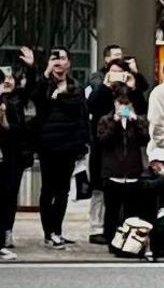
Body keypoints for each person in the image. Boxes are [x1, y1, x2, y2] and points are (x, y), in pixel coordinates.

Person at [19, 46, 89, 247]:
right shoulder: (45, 85)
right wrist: (43, 72)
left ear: (69, 62)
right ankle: (48, 232)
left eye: (62, 59)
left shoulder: (76, 86)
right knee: (47, 190)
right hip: (48, 146)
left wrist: (83, 144)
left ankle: (57, 230)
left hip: (69, 146)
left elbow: (81, 115)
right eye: (54, 59)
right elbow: (33, 96)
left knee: (63, 191)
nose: (59, 63)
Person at [93, 84, 151, 246]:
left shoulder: (137, 120)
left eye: (126, 104)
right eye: (120, 103)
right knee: (111, 210)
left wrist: (135, 120)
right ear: (115, 103)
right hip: (112, 173)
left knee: (131, 211)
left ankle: (129, 242)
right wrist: (115, 122)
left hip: (132, 173)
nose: (123, 107)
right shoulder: (105, 120)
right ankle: (111, 239)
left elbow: (145, 139)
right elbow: (103, 141)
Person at [0, 67, 29, 260]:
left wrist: (4, 120)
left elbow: (16, 129)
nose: (6, 83)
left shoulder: (15, 101)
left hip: (11, 156)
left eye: (10, 78)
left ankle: (4, 235)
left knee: (7, 197)